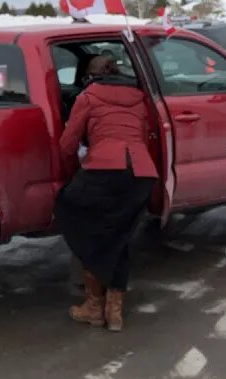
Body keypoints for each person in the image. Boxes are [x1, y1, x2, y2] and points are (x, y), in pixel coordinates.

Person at [56, 54, 158, 332]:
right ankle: (114, 313)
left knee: (74, 216)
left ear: (90, 76)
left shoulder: (88, 96)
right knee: (119, 237)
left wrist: (74, 168)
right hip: (141, 174)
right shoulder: (138, 98)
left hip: (103, 170)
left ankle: (93, 307)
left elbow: (67, 144)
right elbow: (145, 134)